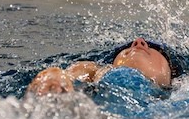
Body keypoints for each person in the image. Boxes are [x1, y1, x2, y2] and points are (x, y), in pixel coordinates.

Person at [26, 37, 176, 96]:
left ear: (170, 72)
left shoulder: (184, 91)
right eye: (127, 47)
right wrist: (53, 79)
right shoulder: (97, 70)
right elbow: (70, 74)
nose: (138, 42)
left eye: (153, 48)